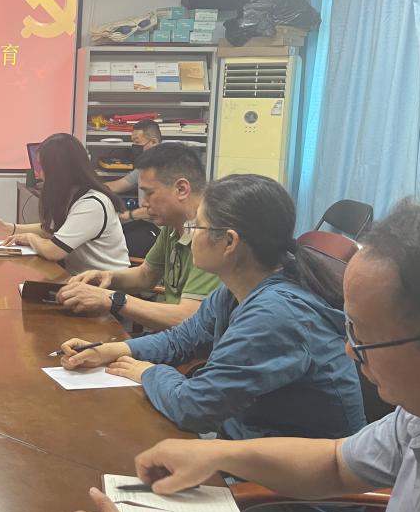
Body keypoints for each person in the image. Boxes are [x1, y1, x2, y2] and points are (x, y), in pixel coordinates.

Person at [55, 199, 420, 512]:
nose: (348, 350)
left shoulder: (279, 312)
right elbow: (336, 461)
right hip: (282, 492)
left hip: (295, 511)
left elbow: (195, 406)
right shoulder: (411, 419)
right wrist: (216, 453)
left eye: (363, 335)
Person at [59, 173, 364, 441]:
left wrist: (148, 372)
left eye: (197, 226)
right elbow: (183, 339)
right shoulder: (235, 290)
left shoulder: (276, 313)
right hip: (245, 448)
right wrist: (111, 350)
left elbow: (195, 408)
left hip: (286, 483)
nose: (189, 234)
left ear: (229, 242)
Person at [56, 143, 220, 332]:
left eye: (149, 193)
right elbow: (146, 275)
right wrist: (107, 276)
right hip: (170, 338)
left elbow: (189, 318)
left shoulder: (213, 236)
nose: (144, 202)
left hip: (190, 344)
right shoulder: (174, 225)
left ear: (181, 189)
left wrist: (112, 300)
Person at [0, 133, 129, 274]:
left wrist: (30, 238)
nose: (39, 174)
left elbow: (53, 251)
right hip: (79, 279)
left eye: (43, 168)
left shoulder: (92, 204)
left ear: (58, 171)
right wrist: (8, 228)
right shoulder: (72, 195)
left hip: (107, 285)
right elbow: (51, 230)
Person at [105, 120, 161, 257]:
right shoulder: (143, 168)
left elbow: (157, 209)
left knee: (115, 248)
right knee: (108, 238)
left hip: (159, 229)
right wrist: (88, 184)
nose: (134, 147)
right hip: (144, 223)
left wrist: (127, 215)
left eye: (137, 142)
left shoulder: (166, 169)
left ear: (154, 142)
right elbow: (119, 185)